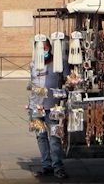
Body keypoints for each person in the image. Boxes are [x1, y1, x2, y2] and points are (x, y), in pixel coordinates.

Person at [29, 38, 67, 179]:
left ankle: (58, 166)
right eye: (40, 48)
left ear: (50, 48)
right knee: (41, 137)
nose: (44, 51)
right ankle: (46, 165)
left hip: (53, 107)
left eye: (46, 48)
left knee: (55, 138)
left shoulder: (59, 62)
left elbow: (66, 80)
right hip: (36, 107)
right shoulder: (33, 64)